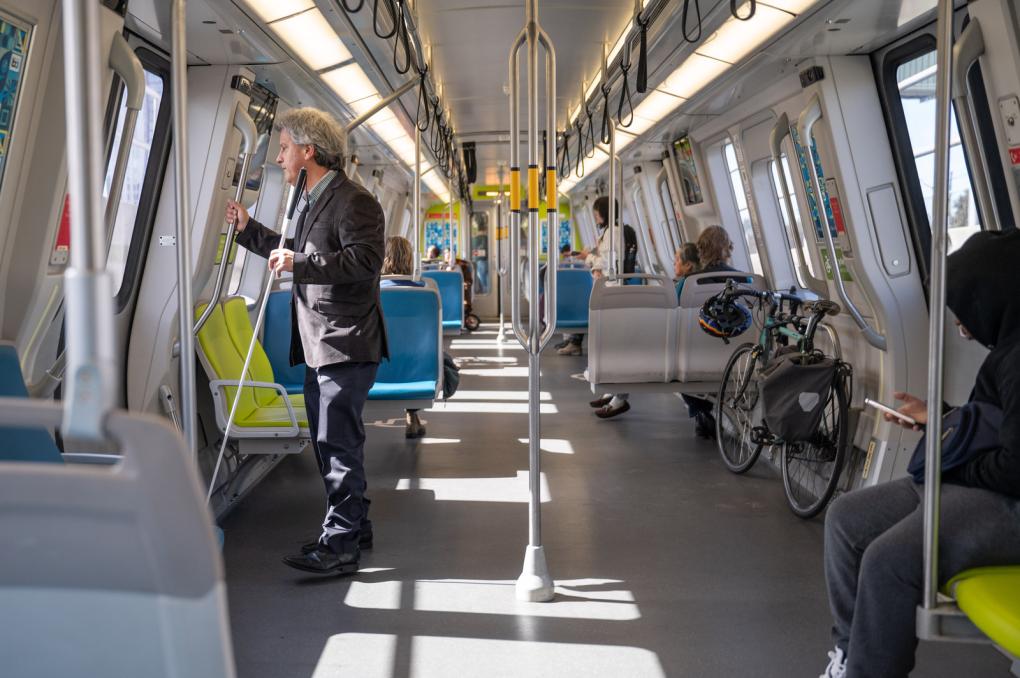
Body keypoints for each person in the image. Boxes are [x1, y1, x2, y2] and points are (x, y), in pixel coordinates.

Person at [818, 230, 1020, 678]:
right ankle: (850, 654)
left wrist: (955, 463)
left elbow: (1014, 469)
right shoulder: (1008, 349)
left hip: (1010, 503)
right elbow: (994, 425)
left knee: (888, 561)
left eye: (965, 311)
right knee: (846, 520)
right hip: (981, 483)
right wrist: (941, 419)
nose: (961, 326)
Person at [226, 107, 387, 576]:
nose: (279, 157)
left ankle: (340, 547)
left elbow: (363, 261)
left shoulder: (354, 201)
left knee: (337, 443)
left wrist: (301, 264)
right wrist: (247, 231)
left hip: (346, 341)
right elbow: (293, 251)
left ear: (308, 150)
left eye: (283, 148)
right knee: (330, 441)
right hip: (322, 343)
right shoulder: (311, 199)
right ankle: (355, 525)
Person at [579, 197, 639, 419]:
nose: (595, 217)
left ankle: (619, 398)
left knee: (615, 346)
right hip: (610, 291)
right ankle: (614, 392)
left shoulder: (613, 232)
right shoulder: (612, 231)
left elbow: (609, 261)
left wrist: (590, 259)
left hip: (613, 292)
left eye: (596, 213)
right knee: (611, 345)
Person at [684, 225, 738, 438]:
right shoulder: (748, 281)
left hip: (698, 356)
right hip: (737, 355)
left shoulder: (690, 284)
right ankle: (703, 413)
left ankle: (700, 411)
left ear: (701, 251)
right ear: (729, 248)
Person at [381, 236, 429, 439]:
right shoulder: (424, 291)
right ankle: (412, 414)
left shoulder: (373, 291)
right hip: (416, 365)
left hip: (379, 361)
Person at [472, 220, 489, 295]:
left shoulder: (475, 239)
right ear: (485, 229)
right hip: (487, 260)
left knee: (482, 279)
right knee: (487, 278)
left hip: (479, 261)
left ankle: (485, 291)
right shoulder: (486, 238)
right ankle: (486, 291)